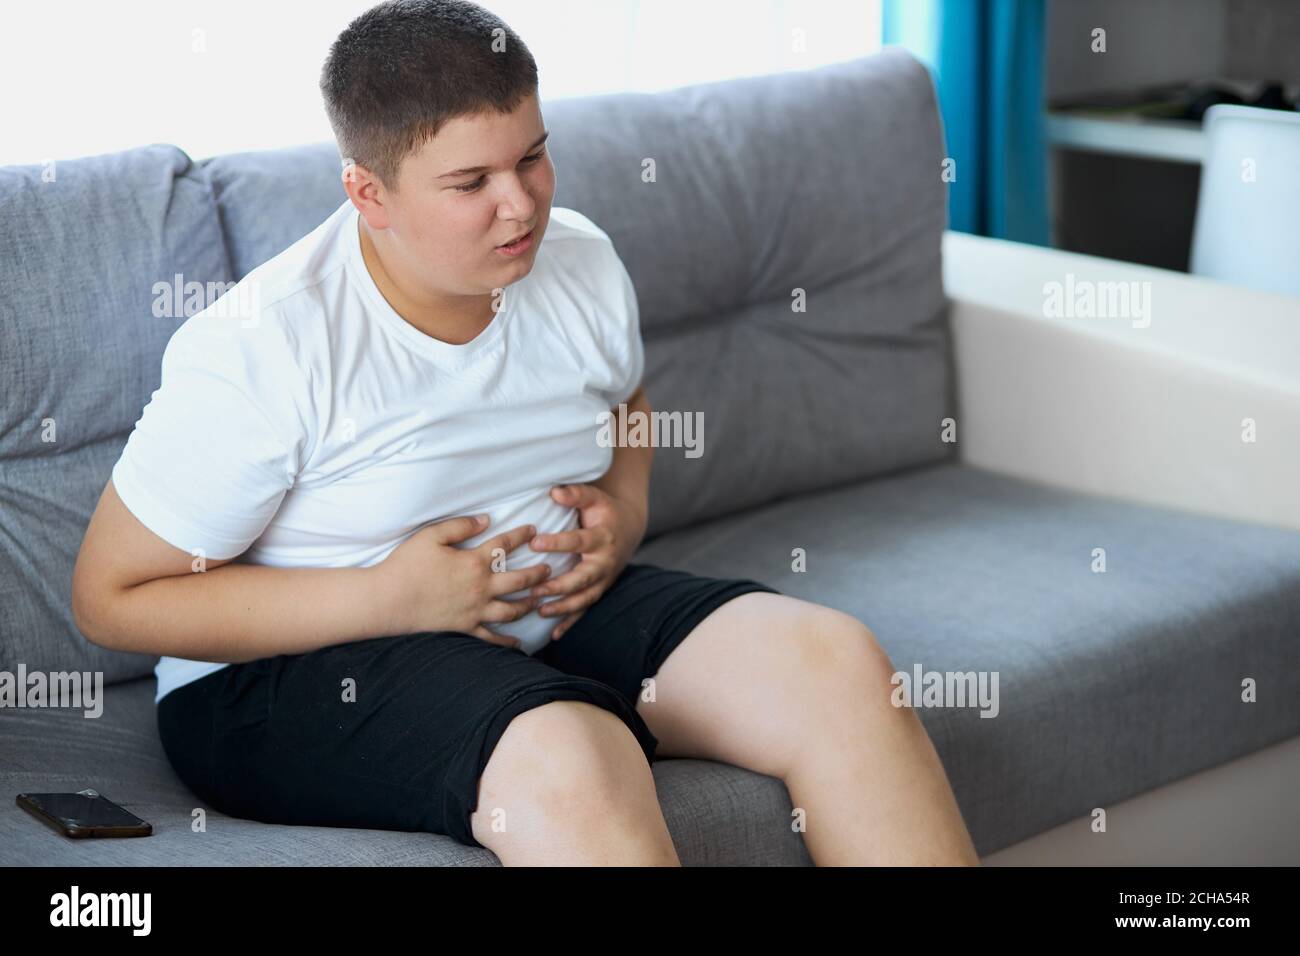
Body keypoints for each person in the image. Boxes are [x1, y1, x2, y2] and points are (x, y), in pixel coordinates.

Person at [74, 0, 980, 866]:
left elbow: (626, 401)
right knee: (569, 755)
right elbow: (112, 597)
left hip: (543, 609)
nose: (522, 206)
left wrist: (624, 511)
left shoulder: (577, 260)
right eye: (471, 182)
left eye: (533, 158)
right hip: (283, 672)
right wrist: (393, 600)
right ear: (369, 193)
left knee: (834, 664)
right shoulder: (263, 347)